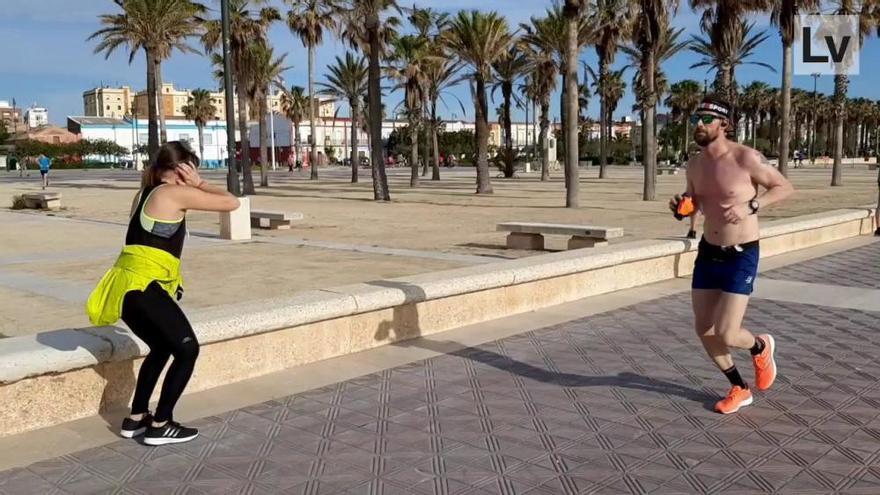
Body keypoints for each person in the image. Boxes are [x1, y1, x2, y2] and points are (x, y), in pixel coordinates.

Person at [86, 141, 240, 445]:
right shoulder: (172, 193)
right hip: (144, 287)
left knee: (160, 347)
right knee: (187, 349)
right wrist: (200, 183)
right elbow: (232, 203)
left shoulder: (145, 192)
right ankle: (161, 423)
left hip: (126, 288)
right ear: (184, 168)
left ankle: (136, 418)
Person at [669, 95, 794, 415]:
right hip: (708, 253)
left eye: (706, 119)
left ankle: (760, 346)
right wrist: (683, 207)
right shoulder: (695, 164)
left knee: (727, 331)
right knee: (704, 329)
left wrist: (752, 205)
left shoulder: (746, 157)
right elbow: (694, 201)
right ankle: (739, 387)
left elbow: (784, 187)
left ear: (724, 124)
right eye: (695, 119)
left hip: (741, 255)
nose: (698, 124)